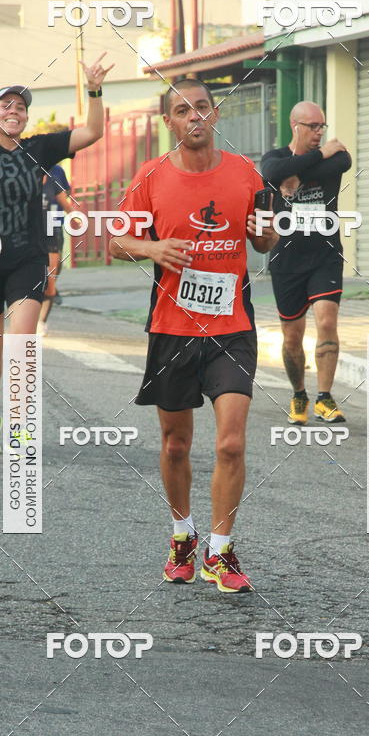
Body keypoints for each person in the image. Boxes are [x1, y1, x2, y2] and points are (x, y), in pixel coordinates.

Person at [110, 77, 277, 594]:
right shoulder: (151, 175)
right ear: (170, 122)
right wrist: (153, 248)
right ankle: (182, 535)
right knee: (176, 444)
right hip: (172, 328)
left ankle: (220, 551)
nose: (195, 117)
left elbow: (265, 240)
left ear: (215, 114)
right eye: (183, 111)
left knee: (231, 442)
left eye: (202, 107)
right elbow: (117, 240)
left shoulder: (245, 172)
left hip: (232, 326)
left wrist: (267, 229)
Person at [0, 22, 113, 454]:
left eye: (20, 106)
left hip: (27, 258)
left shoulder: (41, 149)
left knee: (21, 346)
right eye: (5, 105)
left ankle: (21, 423)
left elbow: (93, 132)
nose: (14, 110)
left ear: (26, 118)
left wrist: (94, 90)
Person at [261, 101, 352, 425]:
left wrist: (297, 172)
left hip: (325, 256)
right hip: (287, 260)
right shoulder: (274, 158)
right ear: (294, 126)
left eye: (321, 127)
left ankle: (324, 398)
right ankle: (299, 393)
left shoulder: (336, 157)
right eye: (312, 126)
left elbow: (342, 162)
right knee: (292, 336)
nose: (318, 133)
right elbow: (271, 174)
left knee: (326, 321)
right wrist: (319, 155)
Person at [38, 164, 72, 335]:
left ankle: (41, 321)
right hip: (29, 231)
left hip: (53, 226)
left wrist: (74, 215)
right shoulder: (24, 168)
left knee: (50, 279)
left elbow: (66, 194)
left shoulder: (57, 171)